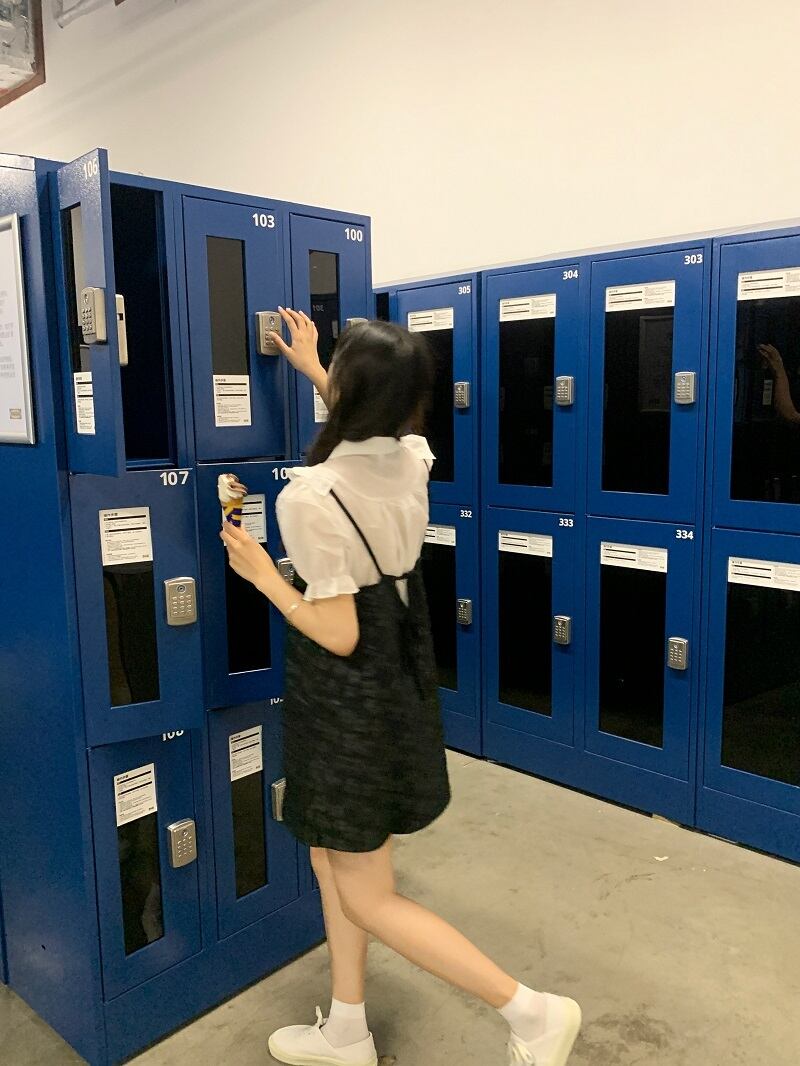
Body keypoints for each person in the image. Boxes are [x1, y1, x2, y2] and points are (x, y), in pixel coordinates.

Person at [220, 308, 582, 1066]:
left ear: (352, 389)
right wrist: (316, 368)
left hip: (344, 691)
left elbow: (338, 631)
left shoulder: (311, 496)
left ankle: (531, 1012)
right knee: (332, 857)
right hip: (398, 674)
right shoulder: (412, 457)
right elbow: (371, 422)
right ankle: (346, 1028)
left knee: (367, 893)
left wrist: (263, 576)